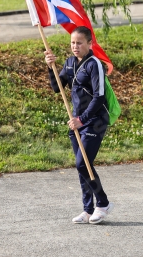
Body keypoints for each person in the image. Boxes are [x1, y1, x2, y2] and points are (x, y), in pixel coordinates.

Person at [44, 26, 114, 224]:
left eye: (80, 42)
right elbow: (57, 88)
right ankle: (88, 209)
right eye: (73, 43)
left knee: (82, 163)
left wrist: (82, 119)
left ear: (89, 44)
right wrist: (51, 68)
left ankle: (103, 203)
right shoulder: (69, 63)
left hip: (95, 121)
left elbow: (99, 97)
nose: (75, 46)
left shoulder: (95, 65)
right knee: (83, 166)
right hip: (76, 122)